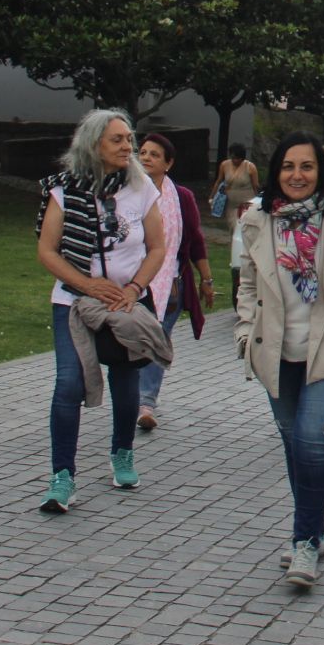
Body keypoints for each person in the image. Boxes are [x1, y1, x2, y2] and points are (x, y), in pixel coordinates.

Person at [235, 132, 324, 589]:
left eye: (306, 167)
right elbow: (246, 285)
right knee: (294, 446)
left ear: (321, 171)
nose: (296, 176)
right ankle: (313, 531)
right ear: (276, 171)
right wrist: (244, 333)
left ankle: (303, 542)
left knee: (312, 444)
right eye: (287, 167)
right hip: (276, 352)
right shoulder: (258, 219)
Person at [34, 109, 169, 514]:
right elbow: (46, 251)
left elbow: (158, 247)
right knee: (69, 384)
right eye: (118, 140)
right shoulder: (64, 190)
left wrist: (134, 288)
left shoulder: (141, 187)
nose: (128, 147)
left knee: (126, 380)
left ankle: (122, 454)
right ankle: (62, 477)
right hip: (74, 303)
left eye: (129, 138)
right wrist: (87, 284)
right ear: (94, 145)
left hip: (128, 302)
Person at [135, 133, 213, 431]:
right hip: (130, 282)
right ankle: (131, 395)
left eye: (154, 154)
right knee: (133, 341)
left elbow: (194, 242)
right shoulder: (125, 193)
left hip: (171, 284)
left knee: (156, 340)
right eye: (142, 152)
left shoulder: (182, 197)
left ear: (168, 163)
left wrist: (206, 279)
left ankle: (146, 402)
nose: (146, 158)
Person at [211, 142, 260, 305]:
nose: (235, 160)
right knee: (234, 228)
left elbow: (255, 185)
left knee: (245, 229)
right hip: (232, 204)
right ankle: (236, 255)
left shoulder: (250, 167)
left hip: (247, 202)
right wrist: (213, 196)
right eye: (233, 157)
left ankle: (245, 253)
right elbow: (219, 181)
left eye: (238, 158)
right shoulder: (225, 165)